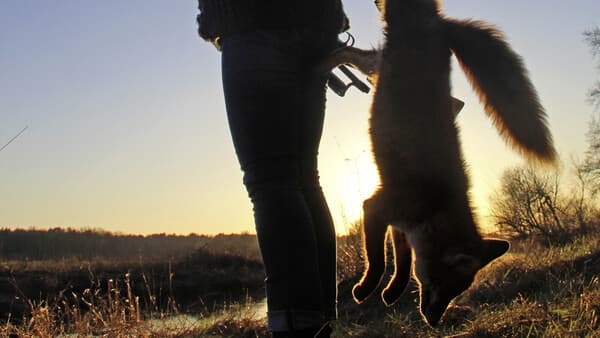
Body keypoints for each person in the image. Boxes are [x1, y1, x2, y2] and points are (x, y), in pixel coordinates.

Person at [197, 1, 349, 337]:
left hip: (252, 25)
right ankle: (319, 320)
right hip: (316, 28)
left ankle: (296, 325)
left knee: (272, 182)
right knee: (304, 179)